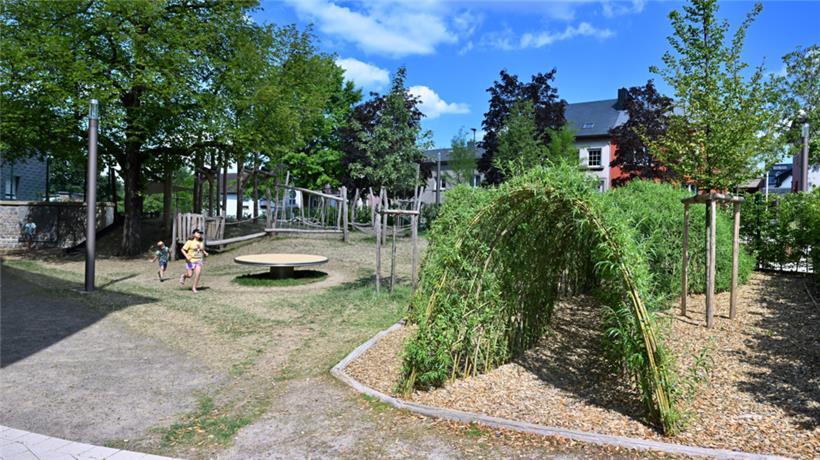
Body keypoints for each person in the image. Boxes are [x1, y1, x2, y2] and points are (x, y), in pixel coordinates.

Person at [179, 229, 208, 293]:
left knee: (198, 273)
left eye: (200, 233)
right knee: (189, 275)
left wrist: (205, 252)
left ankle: (194, 288)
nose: (199, 234)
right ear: (194, 234)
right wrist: (186, 256)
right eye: (198, 233)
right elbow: (182, 250)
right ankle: (184, 276)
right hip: (190, 261)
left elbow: (201, 249)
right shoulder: (190, 242)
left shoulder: (201, 242)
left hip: (198, 260)